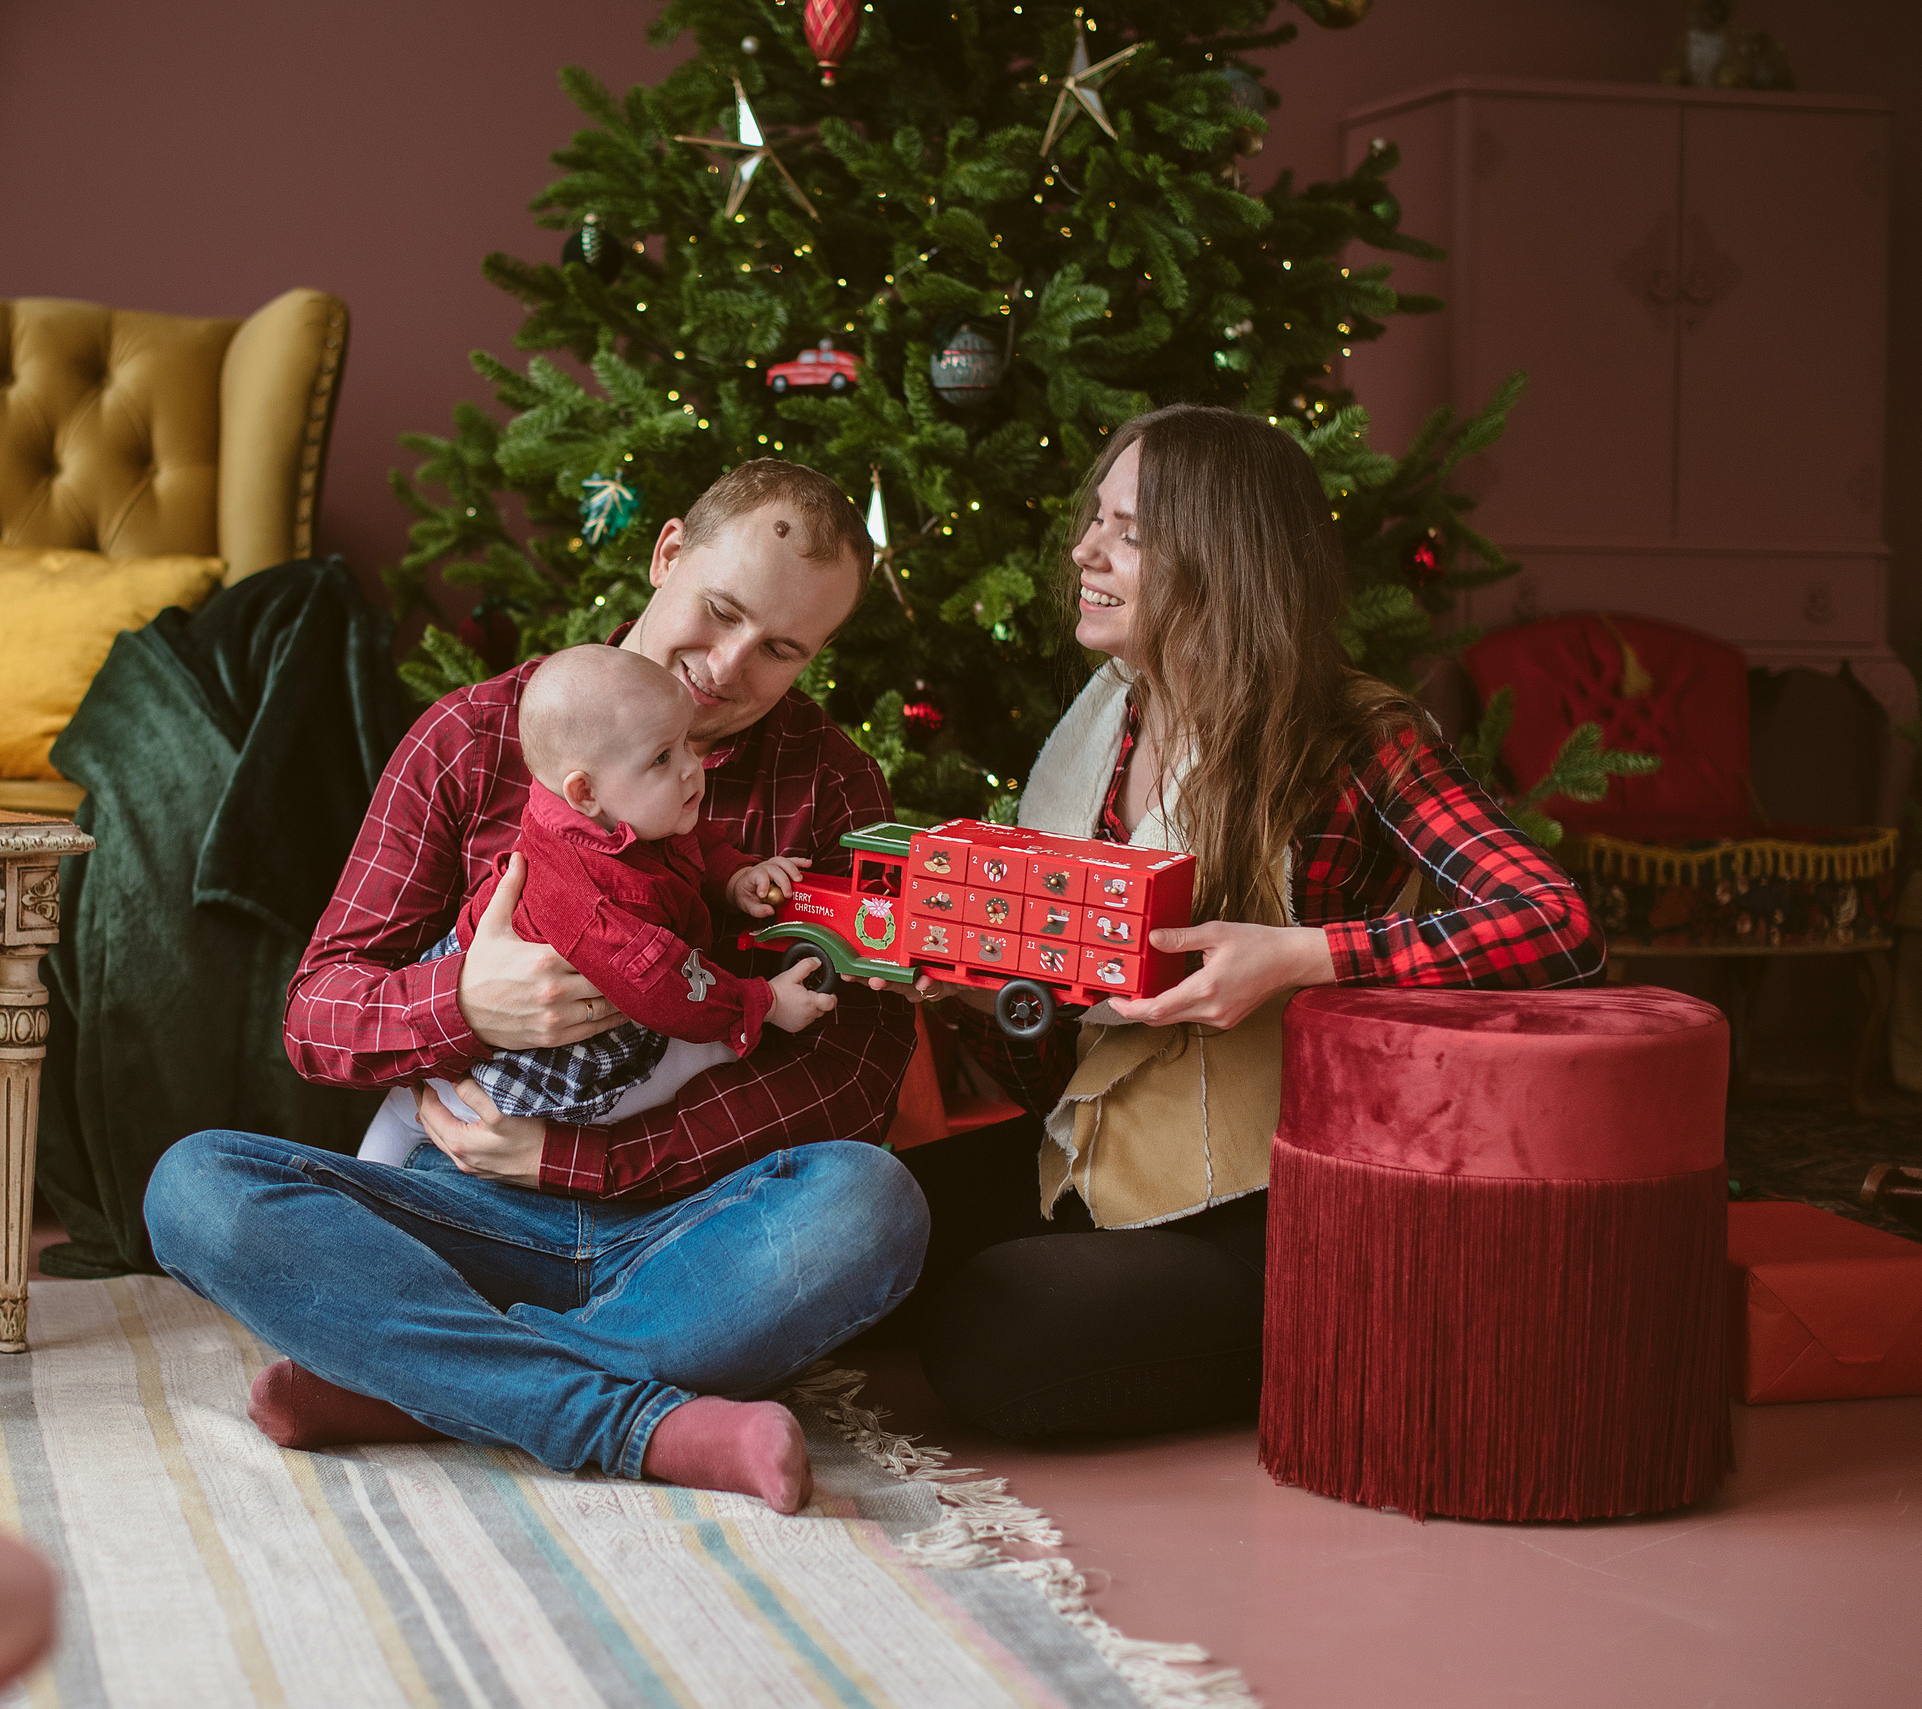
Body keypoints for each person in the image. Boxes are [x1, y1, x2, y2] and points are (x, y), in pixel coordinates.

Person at [143, 460, 925, 1514]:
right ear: (667, 554)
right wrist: (464, 1005)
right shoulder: (471, 739)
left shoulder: (829, 783)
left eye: (781, 649)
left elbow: (853, 1075)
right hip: (461, 1207)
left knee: (872, 1204)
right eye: (721, 610)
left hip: (690, 1234)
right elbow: (317, 1013)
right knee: (196, 1186)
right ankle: (633, 1417)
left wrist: (591, 1161)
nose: (727, 665)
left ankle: (423, 1385)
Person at [892, 404, 1604, 1442]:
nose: (1084, 551)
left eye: (1131, 532)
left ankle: (1313, 1328)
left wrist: (1299, 958)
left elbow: (1555, 924)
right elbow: (1075, 1068)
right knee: (859, 1230)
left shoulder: (1357, 734)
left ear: (1223, 559)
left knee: (998, 1335)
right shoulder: (1109, 722)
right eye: (1096, 519)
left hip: (1270, 1198)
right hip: (1088, 1155)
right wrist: (986, 998)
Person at [357, 644, 832, 1161]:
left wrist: (734, 875)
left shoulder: (611, 813)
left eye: (686, 743)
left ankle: (390, 1133)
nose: (691, 768)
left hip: (539, 997)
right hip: (523, 1064)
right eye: (662, 757)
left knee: (401, 1115)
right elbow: (668, 986)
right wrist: (762, 1004)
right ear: (583, 792)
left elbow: (687, 836)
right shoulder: (598, 906)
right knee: (684, 1056)